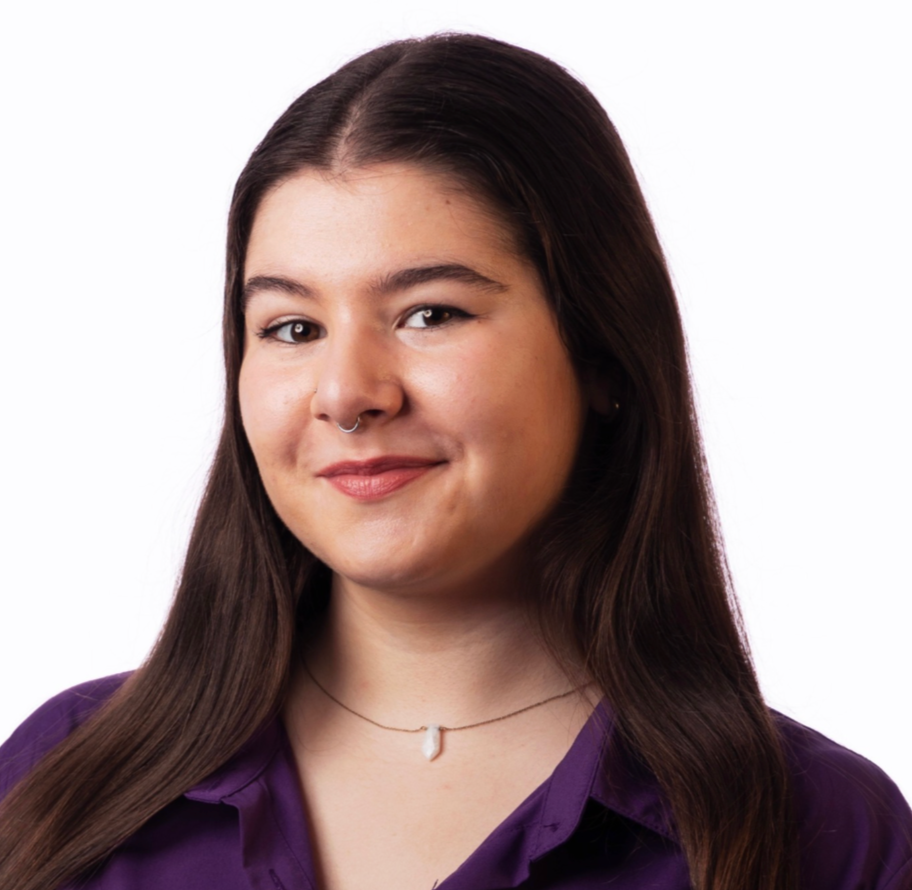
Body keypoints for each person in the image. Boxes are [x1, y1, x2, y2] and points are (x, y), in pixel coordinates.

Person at [0, 32, 909, 890]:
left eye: (430, 313)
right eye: (292, 328)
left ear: (600, 353)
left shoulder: (818, 834)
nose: (347, 392)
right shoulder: (62, 785)